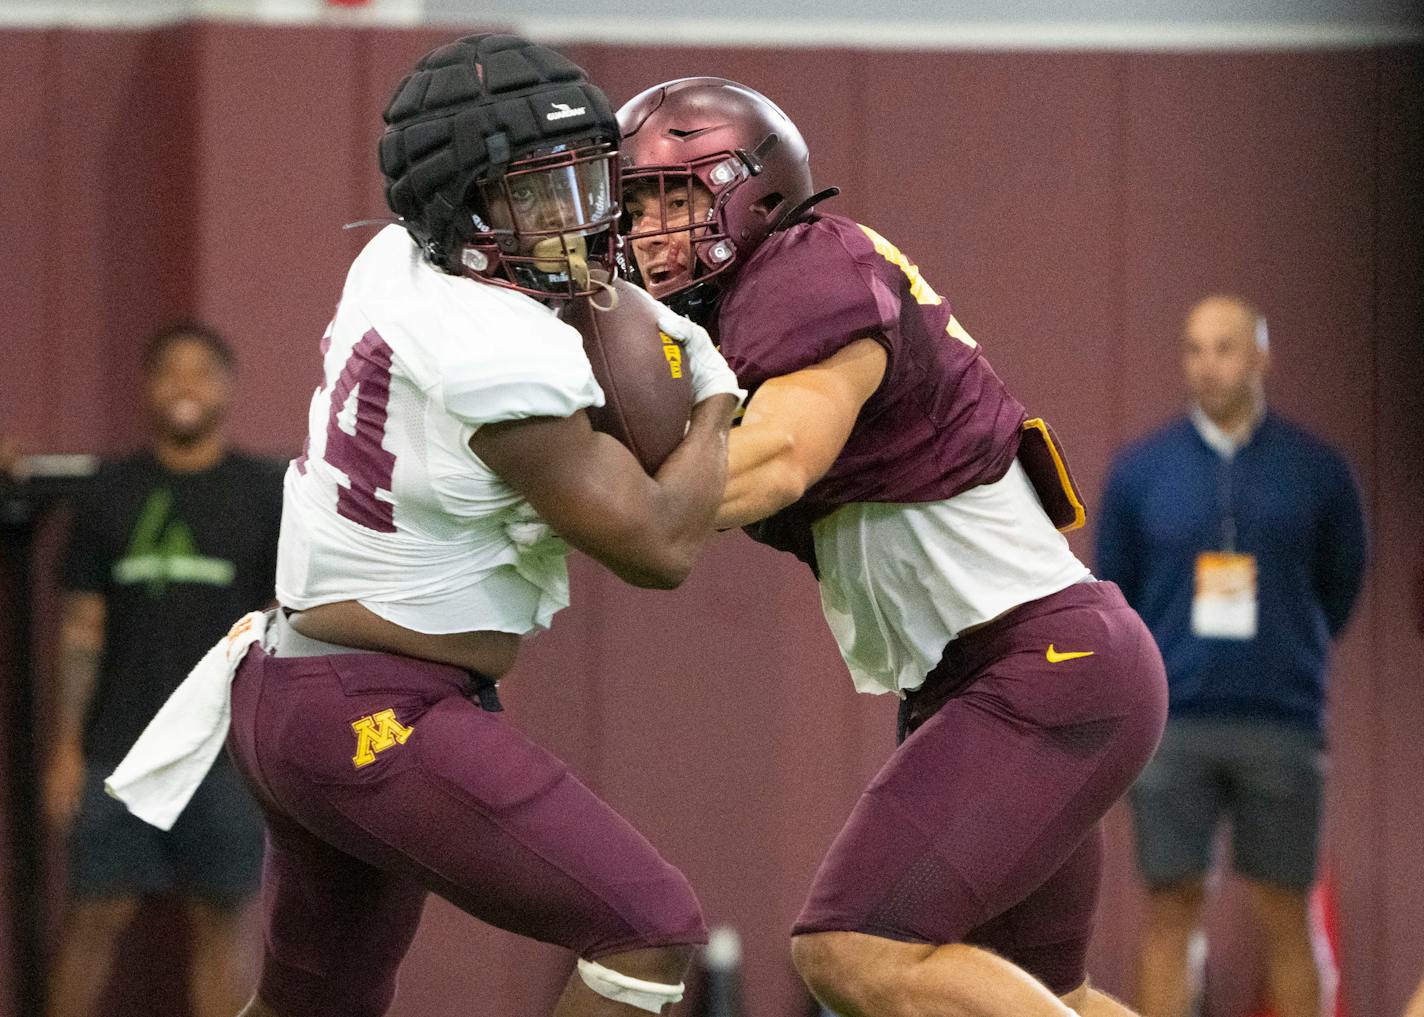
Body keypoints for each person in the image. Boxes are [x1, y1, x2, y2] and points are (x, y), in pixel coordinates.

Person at [106, 35, 741, 1017]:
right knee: (646, 928)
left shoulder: (394, 255)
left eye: (583, 181)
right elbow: (657, 545)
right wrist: (709, 395)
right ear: (459, 204)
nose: (572, 221)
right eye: (535, 193)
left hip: (294, 690)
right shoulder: (491, 344)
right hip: (375, 711)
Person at [618, 77, 1168, 1016]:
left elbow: (783, 456)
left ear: (757, 190)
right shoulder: (728, 318)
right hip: (1001, 674)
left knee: (851, 948)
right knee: (1050, 990)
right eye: (635, 205)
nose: (653, 232)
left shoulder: (805, 269)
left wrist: (600, 501)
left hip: (1037, 666)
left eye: (678, 196)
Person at [1095, 295, 1368, 1017]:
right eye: (1193, 348)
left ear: (1260, 357)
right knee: (1170, 912)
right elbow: (1113, 590)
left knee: (1288, 912)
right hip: (1172, 723)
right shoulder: (1140, 471)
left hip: (1281, 723)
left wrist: (1287, 656)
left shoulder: (1318, 471)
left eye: (1223, 347)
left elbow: (1340, 586)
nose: (1206, 364)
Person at [40, 321, 282, 1017]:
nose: (184, 385)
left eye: (201, 371)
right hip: (119, 746)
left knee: (220, 922)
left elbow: (281, 630)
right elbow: (80, 631)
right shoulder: (107, 493)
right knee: (94, 916)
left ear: (227, 389)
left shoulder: (263, 495)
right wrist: (65, 748)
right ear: (146, 388)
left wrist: (273, 748)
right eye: (169, 371)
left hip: (225, 749)